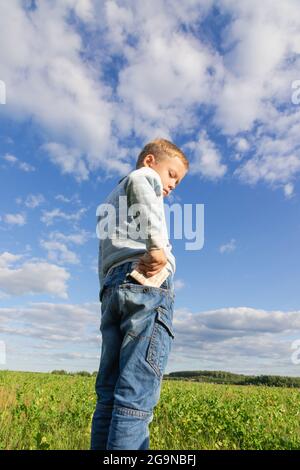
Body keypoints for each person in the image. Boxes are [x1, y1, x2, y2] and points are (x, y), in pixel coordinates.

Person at [91, 138, 189, 450]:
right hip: (146, 285)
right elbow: (140, 183)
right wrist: (158, 248)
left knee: (109, 395)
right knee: (135, 397)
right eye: (172, 174)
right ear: (149, 161)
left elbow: (107, 254)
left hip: (114, 288)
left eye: (178, 181)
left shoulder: (110, 203)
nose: (173, 185)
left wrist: (109, 288)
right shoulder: (141, 178)